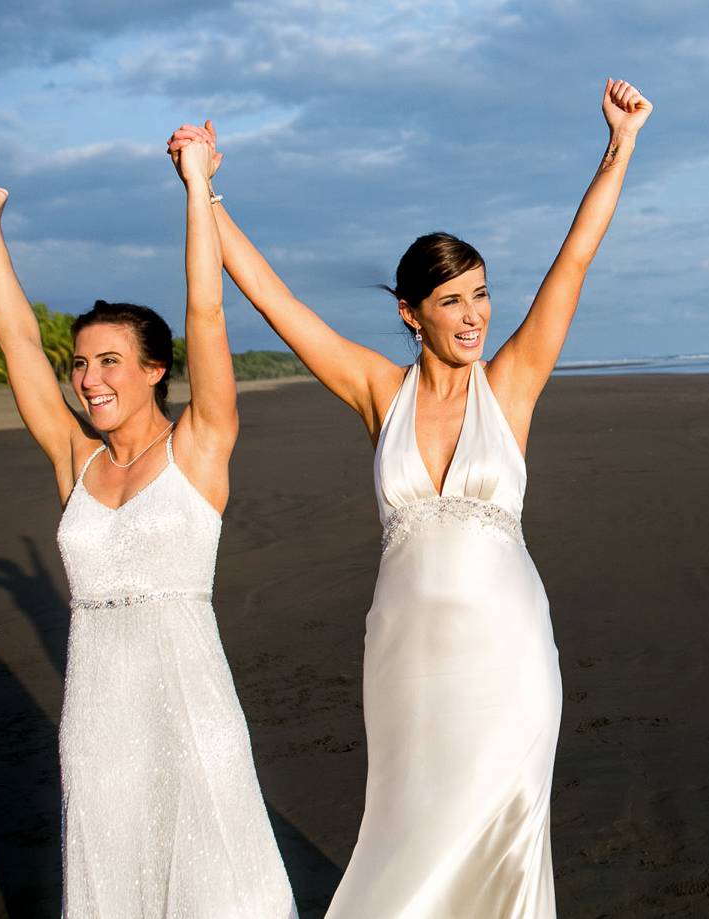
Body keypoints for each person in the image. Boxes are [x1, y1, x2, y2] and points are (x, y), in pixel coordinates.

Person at [168, 78, 652, 916]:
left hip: (508, 657)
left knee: (495, 832)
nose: (475, 317)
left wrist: (619, 148)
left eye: (482, 294)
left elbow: (574, 257)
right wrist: (204, 190)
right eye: (452, 301)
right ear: (411, 314)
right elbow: (276, 302)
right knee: (411, 844)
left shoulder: (512, 385)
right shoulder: (374, 391)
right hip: (405, 663)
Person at [0, 133, 295, 917]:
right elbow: (17, 343)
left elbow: (206, 307)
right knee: (112, 872)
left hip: (191, 700)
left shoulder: (200, 447)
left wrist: (195, 187)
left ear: (155, 369)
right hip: (98, 711)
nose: (88, 379)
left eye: (110, 360)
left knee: (220, 877)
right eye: (81, 363)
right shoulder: (73, 461)